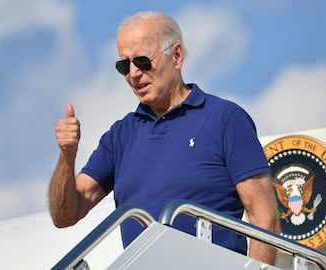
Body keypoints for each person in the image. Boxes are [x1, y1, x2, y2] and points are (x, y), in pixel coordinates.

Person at [49, 10, 280, 265]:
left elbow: (264, 217)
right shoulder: (119, 136)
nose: (133, 74)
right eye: (124, 65)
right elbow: (65, 215)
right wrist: (67, 157)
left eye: (143, 61)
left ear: (177, 56)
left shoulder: (225, 119)